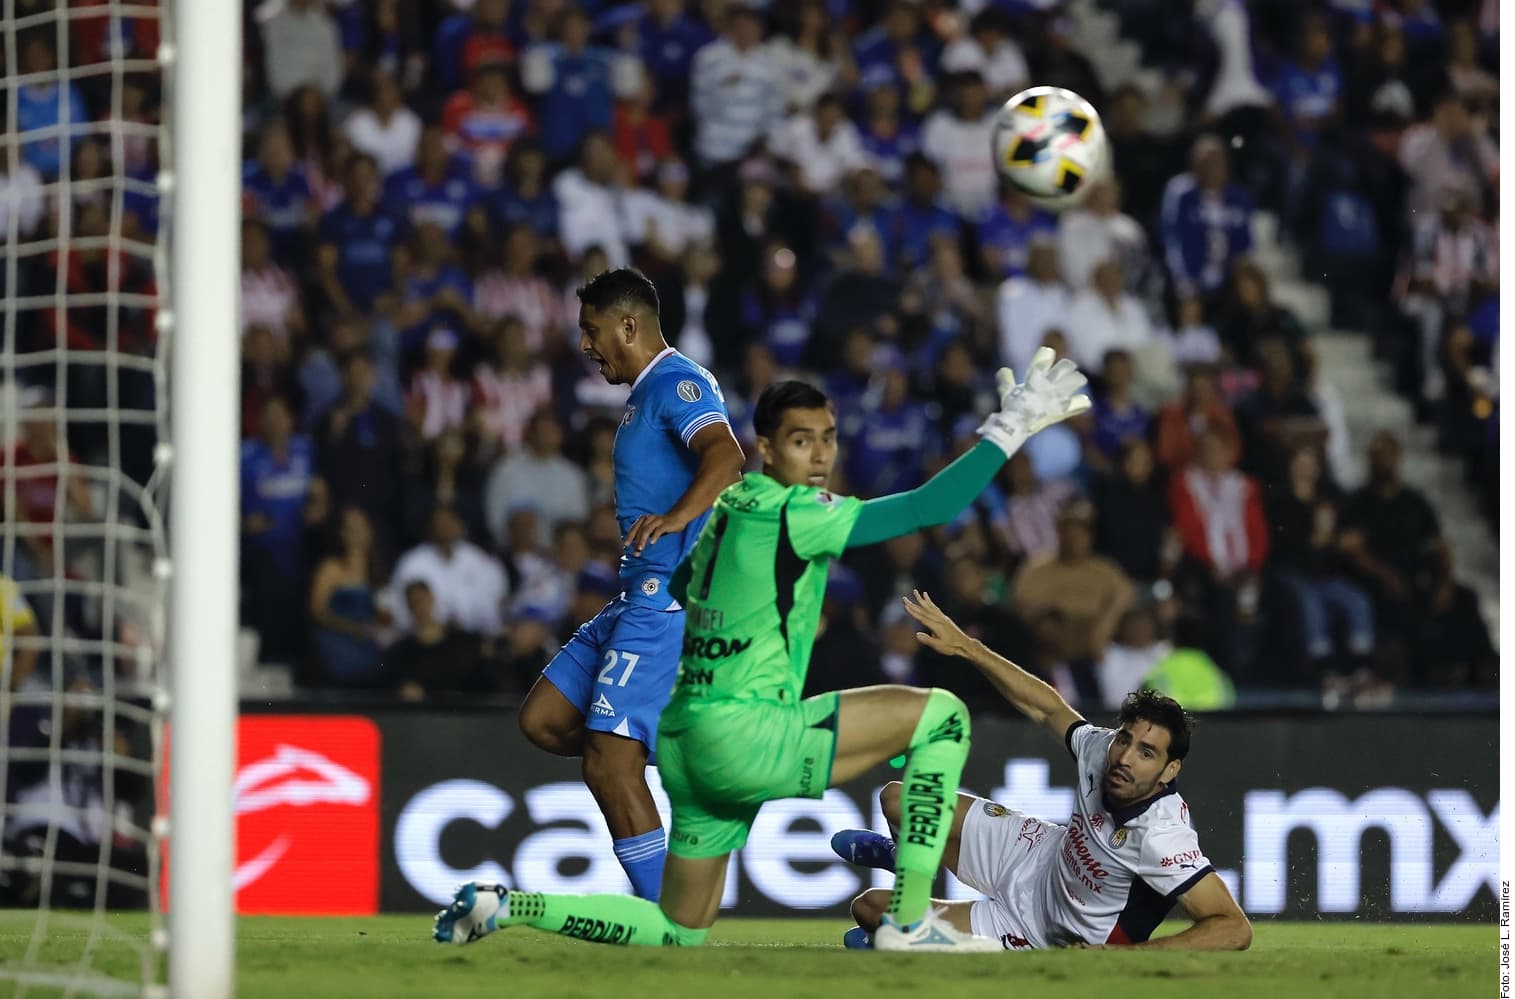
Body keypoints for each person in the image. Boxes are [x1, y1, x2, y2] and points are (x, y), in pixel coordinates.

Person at [433, 348, 1091, 952]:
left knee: (678, 928)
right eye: (802, 441)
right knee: (942, 717)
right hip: (743, 734)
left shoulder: (723, 511)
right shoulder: (796, 512)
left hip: (688, 744)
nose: (819, 456)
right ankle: (910, 919)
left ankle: (508, 904)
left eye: (828, 438)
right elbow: (929, 506)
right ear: (766, 448)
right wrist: (1009, 429)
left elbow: (688, 592)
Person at [832, 596, 1251, 952]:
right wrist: (968, 648)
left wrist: (1131, 957)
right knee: (897, 798)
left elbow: (1233, 927)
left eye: (1146, 752)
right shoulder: (1103, 750)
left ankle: (912, 935)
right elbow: (1047, 707)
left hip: (1039, 931)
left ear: (1169, 770)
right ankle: (904, 861)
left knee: (870, 908)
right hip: (1036, 855)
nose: (1124, 757)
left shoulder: (1161, 836)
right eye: (1125, 739)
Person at [515, 268, 746, 903]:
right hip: (631, 597)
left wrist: (677, 517)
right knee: (542, 720)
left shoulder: (680, 381)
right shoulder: (644, 394)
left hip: (666, 601)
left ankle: (669, 920)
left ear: (628, 324)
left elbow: (727, 457)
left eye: (592, 331)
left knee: (606, 762)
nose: (586, 346)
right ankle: (656, 757)